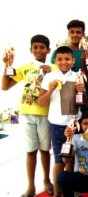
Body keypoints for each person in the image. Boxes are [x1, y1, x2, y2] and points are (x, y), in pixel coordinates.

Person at [1, 35, 55, 197]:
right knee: (30, 150)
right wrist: (7, 65)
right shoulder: (25, 68)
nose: (39, 50)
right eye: (35, 47)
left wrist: (51, 73)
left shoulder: (54, 68)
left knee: (45, 150)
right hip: (26, 114)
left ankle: (47, 181)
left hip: (46, 114)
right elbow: (5, 86)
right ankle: (30, 186)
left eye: (42, 47)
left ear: (48, 50)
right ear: (31, 49)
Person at [39, 46, 82, 196]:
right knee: (59, 160)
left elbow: (82, 101)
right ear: (55, 61)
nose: (64, 62)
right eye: (60, 59)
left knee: (71, 159)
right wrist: (50, 90)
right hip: (57, 124)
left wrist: (81, 89)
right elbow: (41, 102)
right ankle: (58, 193)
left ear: (73, 60)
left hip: (75, 124)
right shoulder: (49, 77)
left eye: (67, 59)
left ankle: (68, 191)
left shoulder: (78, 76)